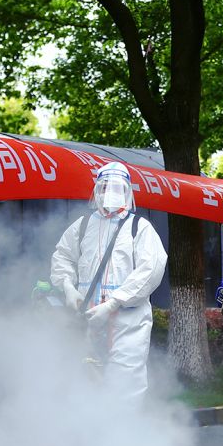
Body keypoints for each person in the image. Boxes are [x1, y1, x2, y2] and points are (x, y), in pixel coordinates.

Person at [49, 162, 167, 401]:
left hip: (128, 321)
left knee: (125, 386)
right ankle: (91, 436)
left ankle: (122, 436)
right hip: (87, 319)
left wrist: (113, 303)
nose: (109, 192)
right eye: (104, 187)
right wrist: (69, 288)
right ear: (96, 191)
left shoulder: (139, 228)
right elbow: (62, 257)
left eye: (117, 187)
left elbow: (150, 270)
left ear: (127, 192)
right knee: (85, 382)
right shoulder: (82, 226)